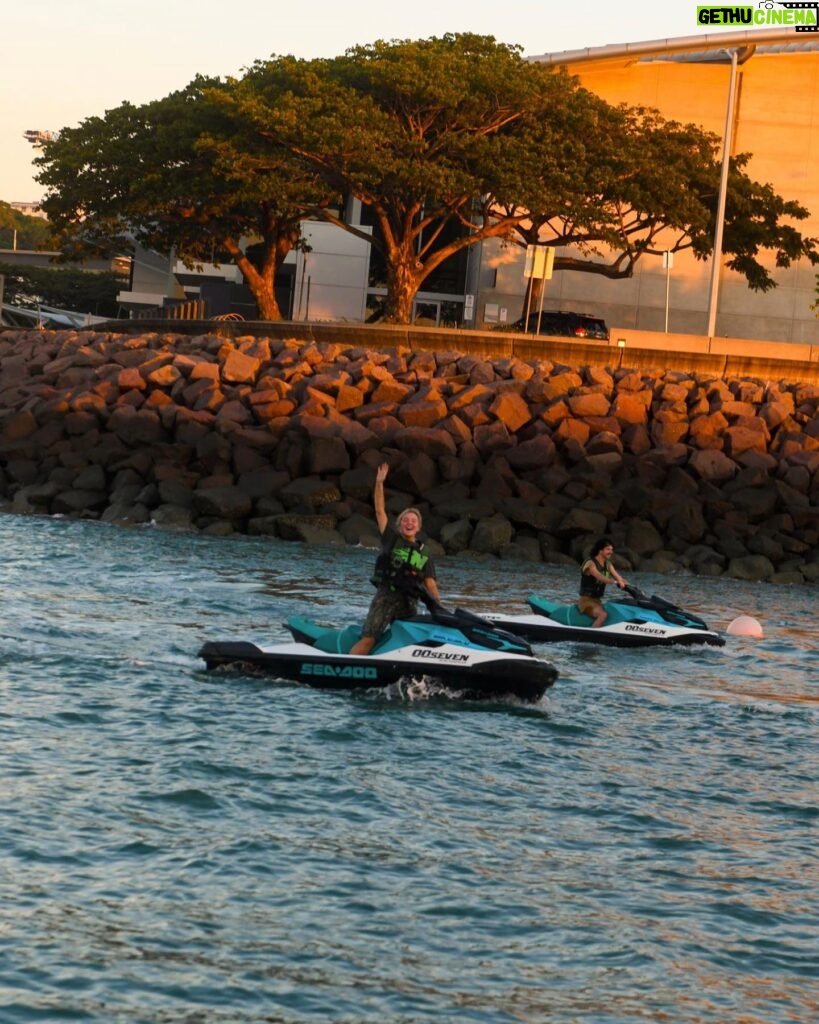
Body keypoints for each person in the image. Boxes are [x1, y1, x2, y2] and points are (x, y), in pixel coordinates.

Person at [349, 462, 441, 655]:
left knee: (411, 640)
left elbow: (430, 583)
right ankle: (347, 665)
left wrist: (439, 609)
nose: (409, 523)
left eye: (413, 521)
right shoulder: (392, 539)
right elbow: (380, 511)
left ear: (418, 527)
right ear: (400, 525)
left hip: (408, 603)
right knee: (369, 639)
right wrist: (379, 483)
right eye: (405, 520)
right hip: (386, 598)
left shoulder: (425, 552)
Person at [578, 536, 628, 627]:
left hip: (598, 601)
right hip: (586, 601)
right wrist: (614, 582)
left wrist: (627, 585)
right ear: (600, 550)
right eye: (608, 549)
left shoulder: (608, 564)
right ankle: (591, 637)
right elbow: (600, 577)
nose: (611, 552)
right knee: (603, 615)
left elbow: (618, 577)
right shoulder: (590, 563)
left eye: (612, 549)